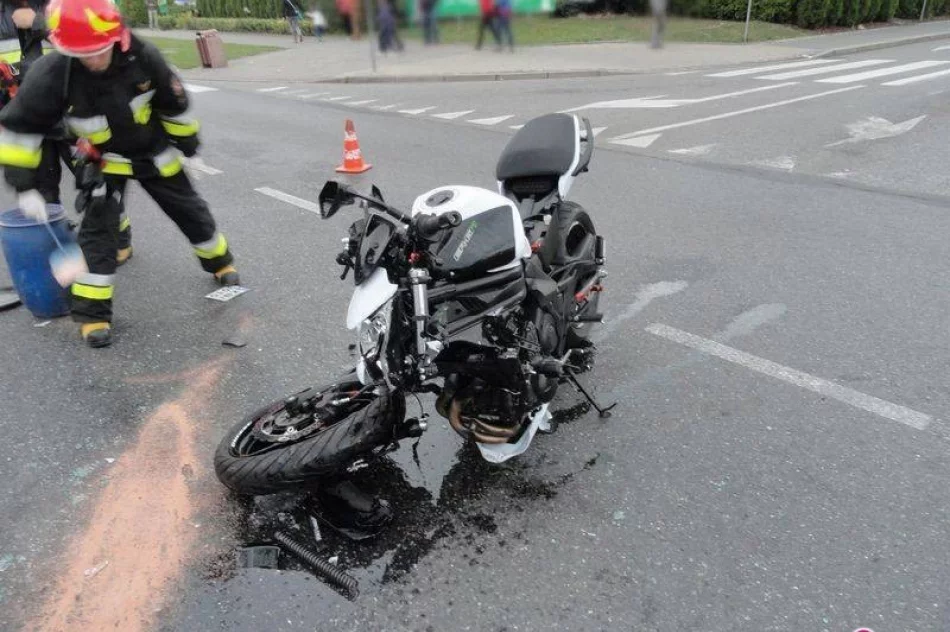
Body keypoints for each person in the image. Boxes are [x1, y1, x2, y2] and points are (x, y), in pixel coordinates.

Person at [0, 0, 240, 348]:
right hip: (102, 160)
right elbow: (20, 130)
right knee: (98, 234)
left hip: (152, 152)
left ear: (116, 38)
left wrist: (187, 146)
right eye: (85, 54)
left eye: (101, 50)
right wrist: (25, 186)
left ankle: (219, 262)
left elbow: (174, 106)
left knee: (189, 211)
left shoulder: (144, 57)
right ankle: (93, 315)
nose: (95, 60)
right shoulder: (52, 73)